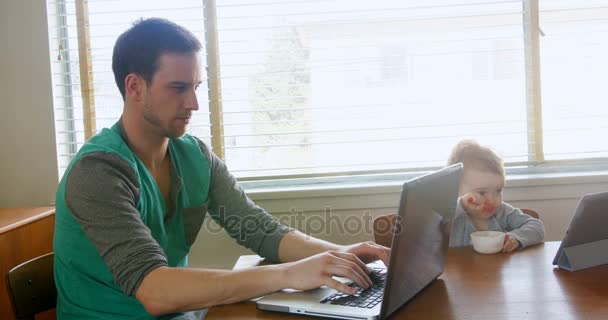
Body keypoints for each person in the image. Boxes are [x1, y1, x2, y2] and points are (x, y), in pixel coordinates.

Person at [53, 18, 390, 320]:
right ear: (135, 87)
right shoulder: (98, 172)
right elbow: (154, 290)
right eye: (179, 88)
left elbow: (261, 230)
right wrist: (289, 274)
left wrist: (339, 254)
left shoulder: (193, 154)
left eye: (196, 87)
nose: (194, 104)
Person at [447, 139, 545, 252]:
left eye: (498, 191)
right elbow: (432, 225)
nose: (492, 200)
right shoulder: (453, 216)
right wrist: (461, 204)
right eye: (482, 192)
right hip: (460, 269)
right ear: (457, 190)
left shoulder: (502, 211)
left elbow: (536, 227)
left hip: (497, 269)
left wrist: (516, 238)